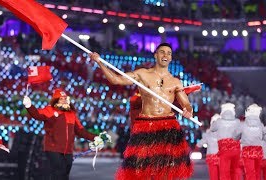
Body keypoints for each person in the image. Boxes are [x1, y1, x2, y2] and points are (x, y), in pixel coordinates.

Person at [89, 42, 193, 179]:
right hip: (146, 125)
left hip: (168, 126)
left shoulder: (176, 82)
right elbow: (116, 80)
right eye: (162, 52)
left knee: (166, 169)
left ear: (171, 58)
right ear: (155, 55)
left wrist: (188, 111)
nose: (165, 55)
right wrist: (99, 62)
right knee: (141, 169)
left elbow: (186, 104)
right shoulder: (142, 74)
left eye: (169, 53)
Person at [23, 88, 98, 180]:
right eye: (61, 99)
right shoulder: (50, 110)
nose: (64, 100)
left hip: (68, 151)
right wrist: (29, 106)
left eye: (65, 98)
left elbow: (80, 131)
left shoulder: (71, 114)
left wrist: (95, 138)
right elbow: (37, 114)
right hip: (53, 148)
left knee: (65, 174)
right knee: (59, 172)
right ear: (56, 100)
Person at [210, 103, 241, 180]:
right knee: (235, 170)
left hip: (224, 149)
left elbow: (212, 129)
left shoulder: (219, 121)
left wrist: (215, 121)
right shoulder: (237, 121)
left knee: (224, 171)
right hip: (236, 149)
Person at [240, 104, 264, 180]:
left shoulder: (243, 124)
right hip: (258, 150)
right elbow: (263, 136)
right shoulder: (261, 125)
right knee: (257, 172)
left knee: (250, 173)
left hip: (247, 150)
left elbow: (236, 136)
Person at [196, 114, 220, 180]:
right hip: (220, 156)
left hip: (212, 156)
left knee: (214, 174)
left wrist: (197, 147)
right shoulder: (224, 132)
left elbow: (201, 142)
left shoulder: (208, 133)